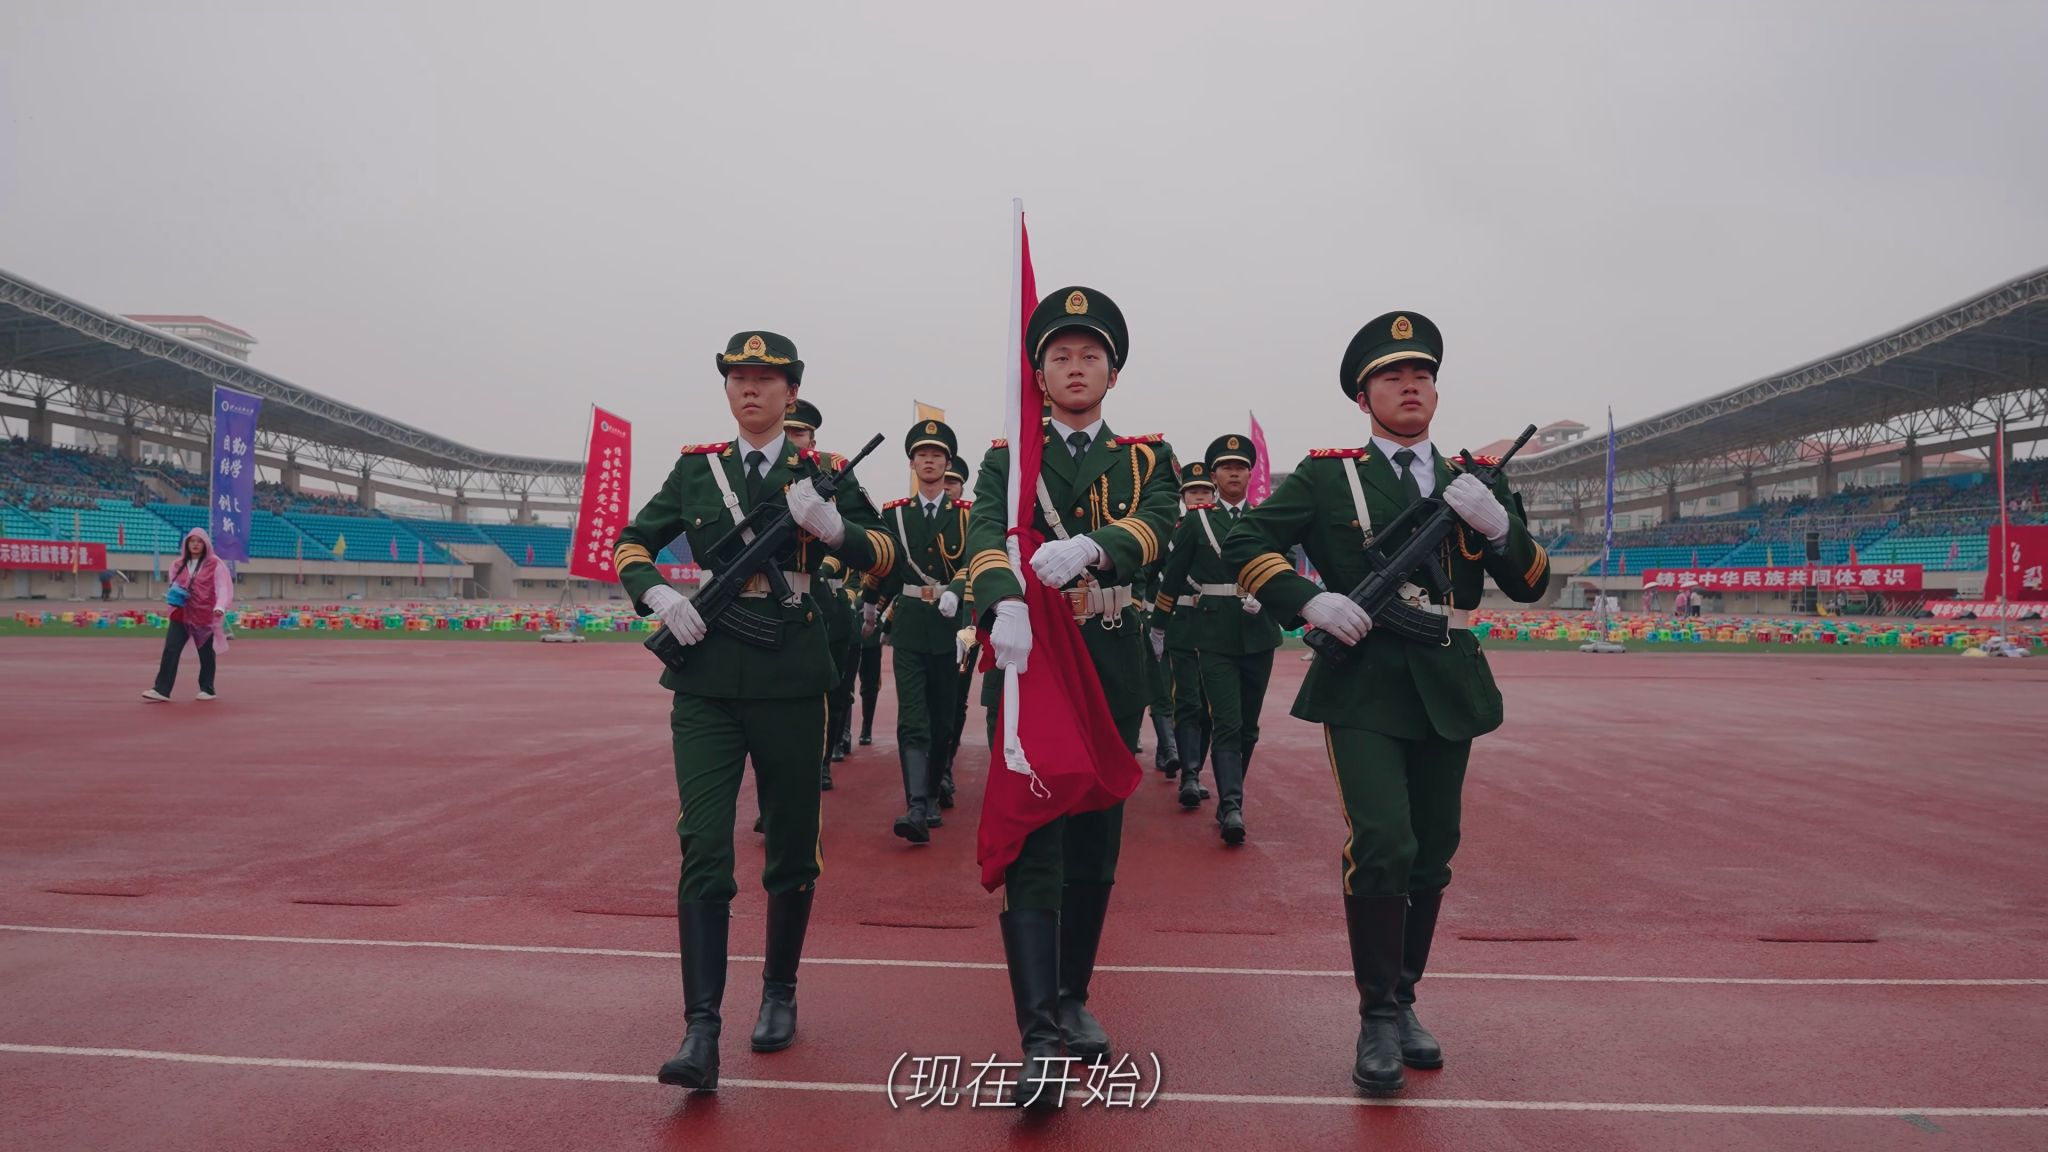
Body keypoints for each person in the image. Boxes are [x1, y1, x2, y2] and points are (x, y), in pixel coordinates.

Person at [1221, 311, 1550, 1096]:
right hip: (1363, 681)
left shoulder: (1478, 480)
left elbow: (1532, 582)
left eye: (1422, 375)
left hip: (1448, 679)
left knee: (1433, 847)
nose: (1411, 386)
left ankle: (1403, 1001)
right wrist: (1309, 601)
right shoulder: (1327, 477)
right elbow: (1245, 543)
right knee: (1382, 840)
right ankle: (1374, 1016)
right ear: (1362, 396)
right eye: (1393, 377)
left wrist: (1498, 526)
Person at [612, 330, 892, 1092]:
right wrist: (658, 594)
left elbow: (887, 554)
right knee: (704, 843)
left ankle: (779, 991)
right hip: (706, 676)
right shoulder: (697, 469)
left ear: (790, 393)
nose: (750, 389)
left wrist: (834, 529)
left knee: (793, 843)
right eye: (739, 377)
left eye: (766, 379)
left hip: (792, 674)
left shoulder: (820, 472)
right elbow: (632, 542)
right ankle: (700, 1028)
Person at [966, 286, 1180, 1101]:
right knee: (1034, 835)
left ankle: (1071, 995)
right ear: (1039, 374)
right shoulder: (1009, 458)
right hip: (1030, 660)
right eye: (1061, 356)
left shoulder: (1145, 458)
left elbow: (1159, 523)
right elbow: (985, 533)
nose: (1076, 367)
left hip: (1111, 664)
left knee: (1094, 841)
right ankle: (1038, 1036)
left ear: (1112, 374)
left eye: (1091, 355)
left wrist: (1094, 546)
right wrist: (1003, 601)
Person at [1151, 434, 1282, 842]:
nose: (1234, 473)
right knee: (1226, 719)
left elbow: (1287, 562)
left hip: (1259, 633)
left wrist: (1269, 595)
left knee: (1249, 726)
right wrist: (1159, 626)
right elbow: (1173, 576)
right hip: (1212, 633)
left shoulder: (1267, 518)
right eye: (1226, 467)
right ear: (1214, 476)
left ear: (1250, 474)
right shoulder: (1198, 521)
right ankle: (1231, 806)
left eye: (1241, 467)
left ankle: (1230, 798)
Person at [867, 419, 972, 842]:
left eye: (936, 455)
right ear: (912, 463)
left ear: (947, 464)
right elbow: (886, 567)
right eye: (922, 455)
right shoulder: (894, 513)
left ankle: (932, 790)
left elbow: (976, 560)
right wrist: (871, 607)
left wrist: (958, 591)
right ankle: (916, 803)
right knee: (913, 715)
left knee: (943, 716)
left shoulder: (966, 515)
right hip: (910, 623)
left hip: (950, 627)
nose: (929, 461)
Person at [786, 399, 856, 790]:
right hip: (780, 602)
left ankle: (823, 761)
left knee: (833, 691)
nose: (791, 439)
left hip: (827, 603)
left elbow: (861, 541)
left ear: (812, 440)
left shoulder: (832, 474)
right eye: (786, 431)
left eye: (798, 433)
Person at [1159, 462, 1215, 804]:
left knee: (1209, 707)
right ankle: (1189, 776)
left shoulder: (1221, 528)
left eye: (1205, 491)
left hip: (1215, 624)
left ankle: (1197, 769)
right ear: (1183, 497)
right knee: (1187, 701)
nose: (1199, 496)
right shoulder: (1171, 531)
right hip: (1180, 622)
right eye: (1193, 491)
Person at [142, 527, 231, 702]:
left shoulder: (215, 564)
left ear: (205, 544)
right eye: (192, 541)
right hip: (181, 613)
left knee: (206, 652)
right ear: (186, 544)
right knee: (171, 649)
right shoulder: (177, 564)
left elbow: (222, 587)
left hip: (203, 613)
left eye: (199, 541)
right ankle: (161, 689)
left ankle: (207, 688)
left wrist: (220, 606)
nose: (195, 545)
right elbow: (174, 584)